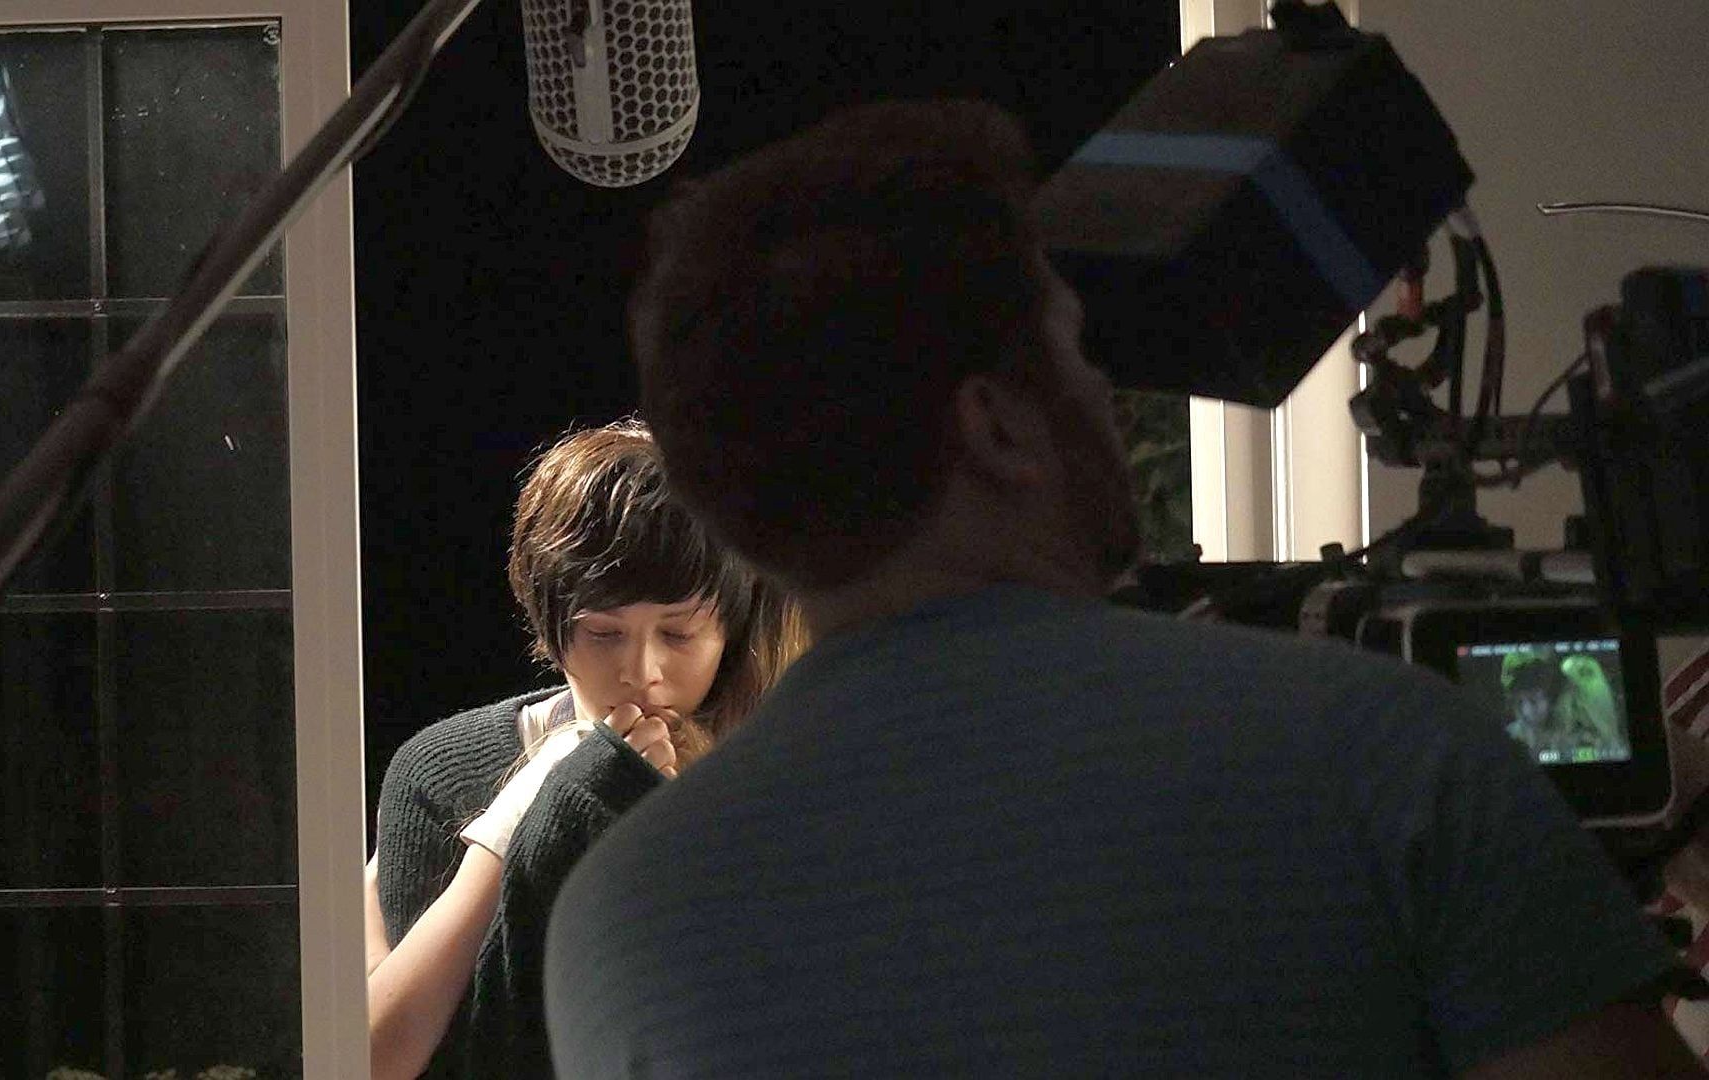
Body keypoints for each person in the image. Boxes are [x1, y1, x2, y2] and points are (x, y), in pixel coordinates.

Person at [543, 100, 1699, 1077]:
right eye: (1075, 350)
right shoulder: (1383, 753)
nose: (1103, 395)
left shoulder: (617, 919)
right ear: (997, 427)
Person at [367, 419, 802, 1080]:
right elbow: (379, 1059)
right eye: (603, 634)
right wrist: (524, 813)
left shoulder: (779, 762)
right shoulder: (442, 772)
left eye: (679, 635)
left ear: (731, 628)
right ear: (550, 625)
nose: (642, 672)